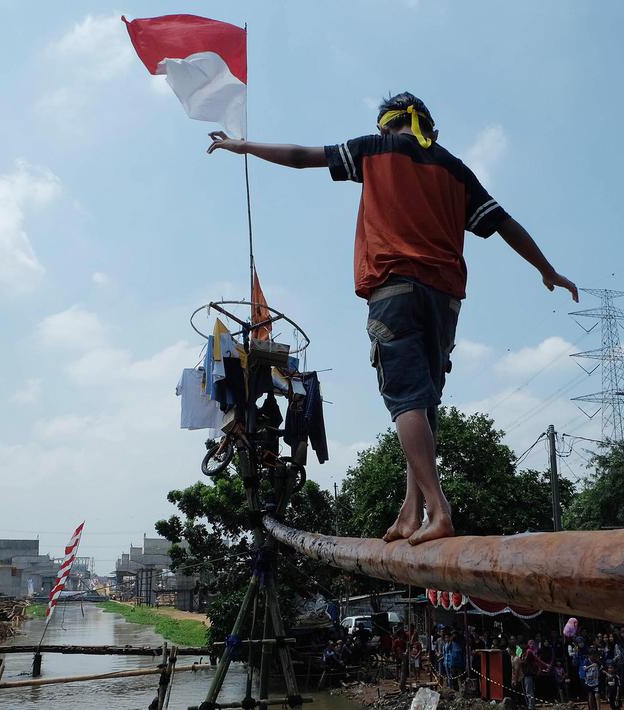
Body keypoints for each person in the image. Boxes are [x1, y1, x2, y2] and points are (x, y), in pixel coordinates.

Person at [206, 92, 578, 545]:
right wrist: (546, 269)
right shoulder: (455, 168)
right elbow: (503, 222)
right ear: (430, 127)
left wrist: (243, 146)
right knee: (421, 405)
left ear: (386, 125)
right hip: (445, 300)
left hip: (394, 289)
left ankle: (439, 511)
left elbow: (305, 157)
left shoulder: (375, 150)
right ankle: (412, 510)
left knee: (404, 401)